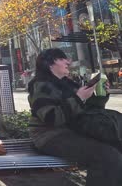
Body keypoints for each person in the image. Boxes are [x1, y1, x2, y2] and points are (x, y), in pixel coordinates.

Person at [28, 48, 122, 186]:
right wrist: (79, 98)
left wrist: (100, 95)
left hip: (74, 131)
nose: (68, 61)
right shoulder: (41, 86)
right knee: (107, 156)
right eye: (61, 58)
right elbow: (52, 118)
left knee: (117, 145)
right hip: (50, 136)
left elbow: (87, 111)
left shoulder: (67, 83)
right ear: (49, 64)